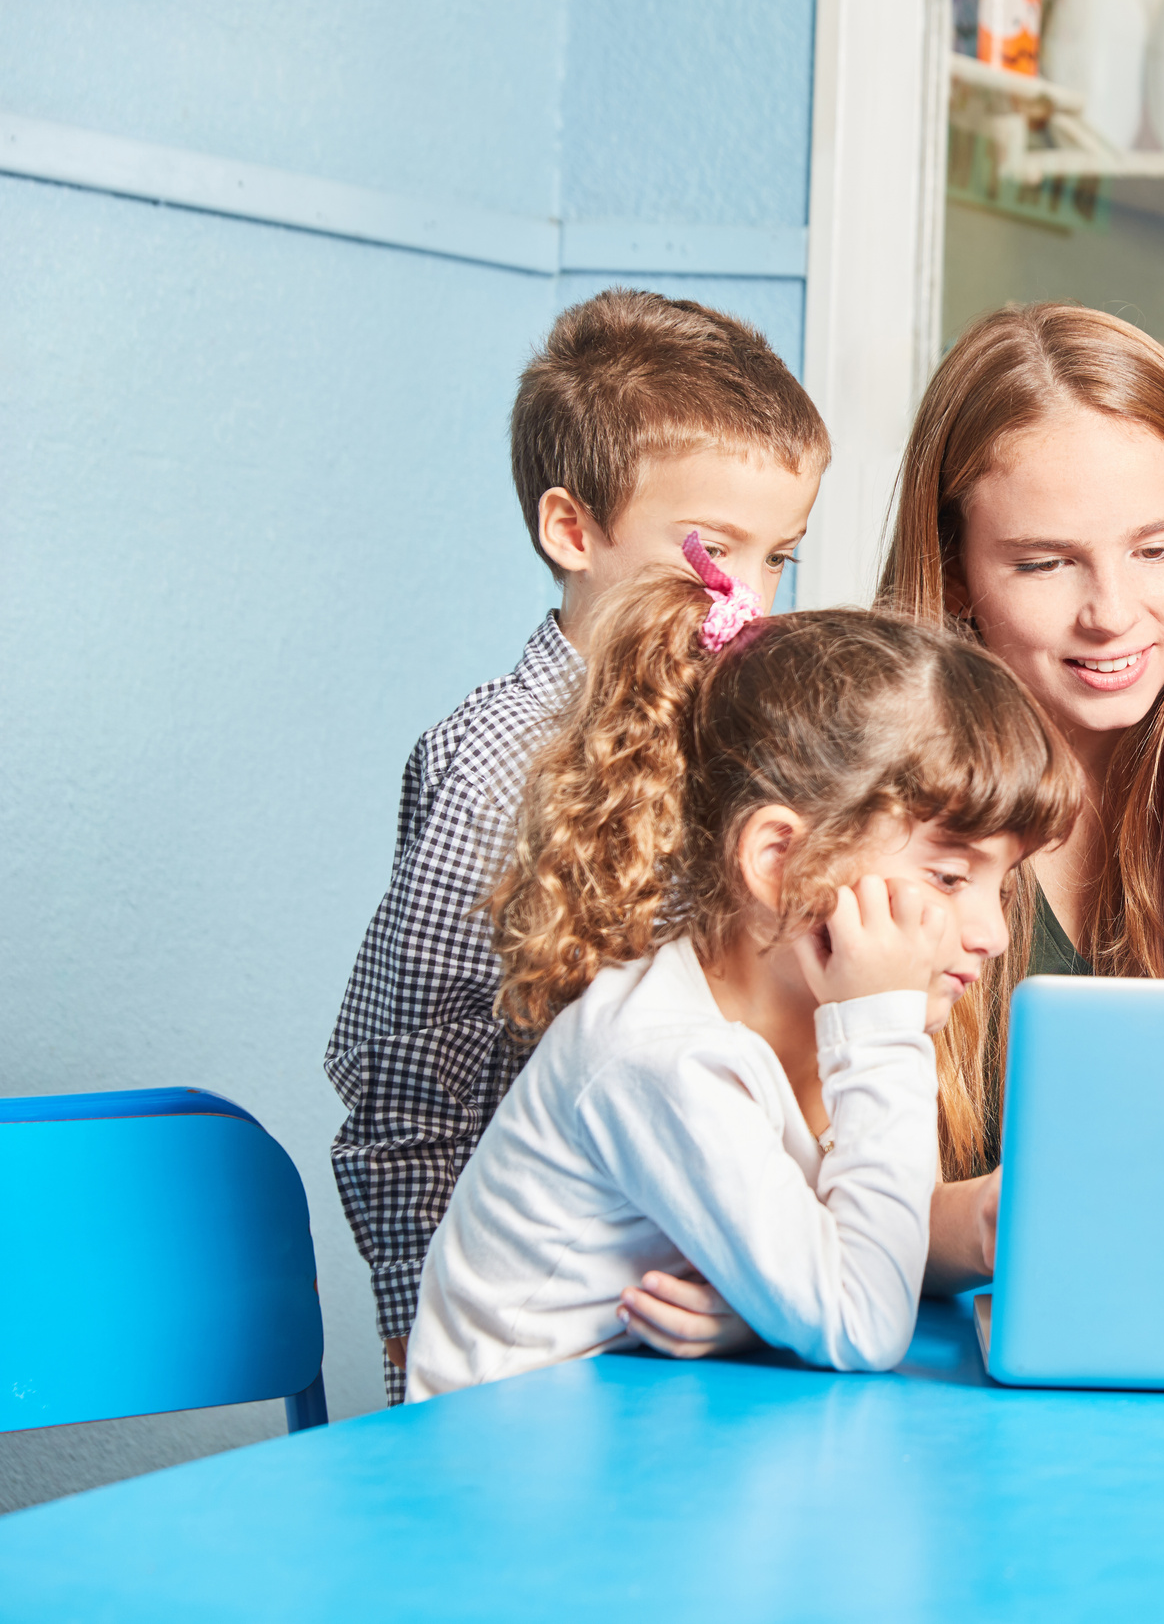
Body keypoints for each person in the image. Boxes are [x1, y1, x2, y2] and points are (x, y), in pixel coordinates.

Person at [403, 553, 1080, 1400]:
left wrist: (979, 1226)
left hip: (649, 1429)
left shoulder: (788, 1016)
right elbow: (862, 1320)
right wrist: (879, 1030)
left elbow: (848, 1250)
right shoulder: (665, 1060)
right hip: (505, 1469)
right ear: (780, 859)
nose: (987, 933)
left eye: (1001, 884)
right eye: (949, 877)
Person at [325, 290, 828, 1400]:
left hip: (680, 1337)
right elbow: (408, 1085)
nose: (748, 598)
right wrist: (428, 1339)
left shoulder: (740, 741)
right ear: (572, 530)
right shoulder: (494, 760)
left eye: (779, 556)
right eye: (713, 550)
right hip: (524, 1351)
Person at [874, 303, 1164, 1293]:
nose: (1112, 612)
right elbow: (768, 1216)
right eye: (1044, 563)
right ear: (953, 569)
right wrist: (975, 1224)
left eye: (1159, 549)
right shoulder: (863, 810)